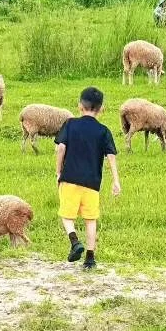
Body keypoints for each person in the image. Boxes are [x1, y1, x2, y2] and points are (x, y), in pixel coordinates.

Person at [54, 86, 120, 270]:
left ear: (79, 106)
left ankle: (75, 241)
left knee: (67, 216)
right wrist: (116, 180)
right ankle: (90, 259)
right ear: (101, 109)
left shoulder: (70, 124)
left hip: (70, 178)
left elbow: (61, 148)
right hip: (92, 183)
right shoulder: (104, 131)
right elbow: (111, 156)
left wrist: (58, 171)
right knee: (90, 220)